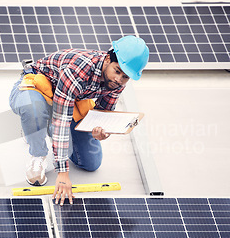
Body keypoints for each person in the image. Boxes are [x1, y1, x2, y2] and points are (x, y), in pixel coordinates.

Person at [9, 35, 149, 206]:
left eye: (125, 77)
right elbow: (61, 120)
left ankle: (42, 125)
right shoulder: (78, 69)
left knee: (91, 163)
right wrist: (62, 174)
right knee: (34, 111)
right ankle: (36, 144)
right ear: (107, 59)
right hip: (38, 89)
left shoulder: (117, 82)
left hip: (70, 99)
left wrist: (101, 131)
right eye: (117, 71)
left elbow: (102, 113)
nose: (118, 80)